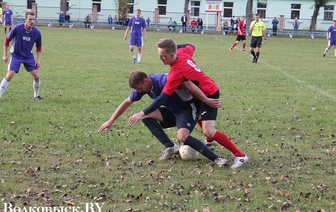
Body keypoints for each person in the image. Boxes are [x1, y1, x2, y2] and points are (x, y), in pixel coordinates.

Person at [128, 39, 249, 169]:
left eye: (163, 55)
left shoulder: (175, 73)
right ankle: (210, 141)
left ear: (172, 55)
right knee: (197, 114)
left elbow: (162, 99)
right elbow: (191, 46)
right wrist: (172, 48)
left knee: (208, 130)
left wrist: (142, 113)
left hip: (208, 93)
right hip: (200, 92)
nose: (160, 58)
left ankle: (240, 156)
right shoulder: (182, 52)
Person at [98, 71, 227, 167]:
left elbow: (168, 95)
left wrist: (204, 100)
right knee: (147, 116)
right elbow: (127, 102)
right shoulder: (144, 87)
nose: (139, 91)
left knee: (182, 137)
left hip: (188, 109)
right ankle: (170, 147)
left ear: (146, 81)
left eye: (139, 88)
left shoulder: (162, 80)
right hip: (172, 111)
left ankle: (217, 159)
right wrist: (111, 121)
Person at [0, 11, 42, 100]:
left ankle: (36, 96)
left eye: (33, 19)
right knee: (9, 75)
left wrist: (38, 60)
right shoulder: (17, 28)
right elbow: (7, 40)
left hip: (28, 56)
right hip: (16, 55)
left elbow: (39, 46)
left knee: (37, 76)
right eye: (30, 19)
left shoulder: (37, 32)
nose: (32, 21)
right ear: (25, 19)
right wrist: (5, 55)